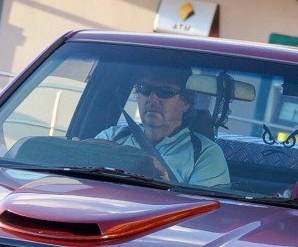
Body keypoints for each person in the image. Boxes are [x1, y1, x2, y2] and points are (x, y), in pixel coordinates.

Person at [97, 66, 230, 187]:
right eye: (145, 89)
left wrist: (165, 185)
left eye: (165, 91)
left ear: (186, 101)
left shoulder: (205, 153)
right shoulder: (112, 136)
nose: (152, 99)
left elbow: (202, 209)